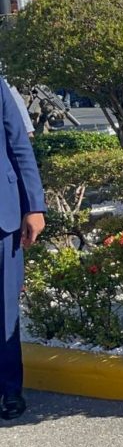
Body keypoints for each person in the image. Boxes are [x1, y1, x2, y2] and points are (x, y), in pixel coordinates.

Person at [0, 78, 45, 421]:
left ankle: (10, 390)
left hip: (3, 217)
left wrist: (34, 207)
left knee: (5, 311)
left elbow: (19, 146)